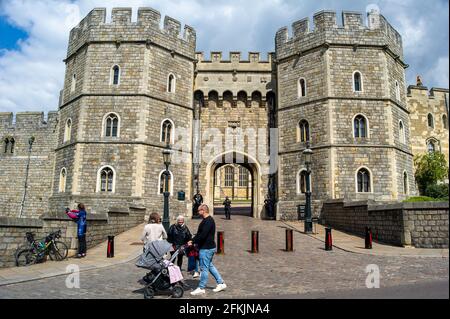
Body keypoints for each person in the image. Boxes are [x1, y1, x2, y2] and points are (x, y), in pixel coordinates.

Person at [189, 204, 226, 295]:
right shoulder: (205, 220)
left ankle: (201, 287)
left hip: (206, 248)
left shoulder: (208, 221)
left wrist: (193, 242)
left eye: (199, 210)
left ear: (203, 210)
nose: (198, 212)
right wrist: (192, 240)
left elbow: (203, 235)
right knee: (209, 266)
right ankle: (221, 283)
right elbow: (199, 233)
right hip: (207, 247)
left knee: (204, 268)